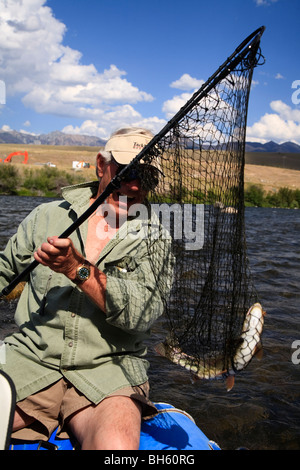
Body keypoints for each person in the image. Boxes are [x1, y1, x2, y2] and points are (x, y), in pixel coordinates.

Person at [0, 127, 174, 450]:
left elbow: (142, 312)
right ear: (100, 165)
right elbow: (3, 270)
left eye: (147, 177)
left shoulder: (157, 240)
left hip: (111, 372)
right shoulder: (46, 217)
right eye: (128, 170)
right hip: (29, 358)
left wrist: (75, 268)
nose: (135, 185)